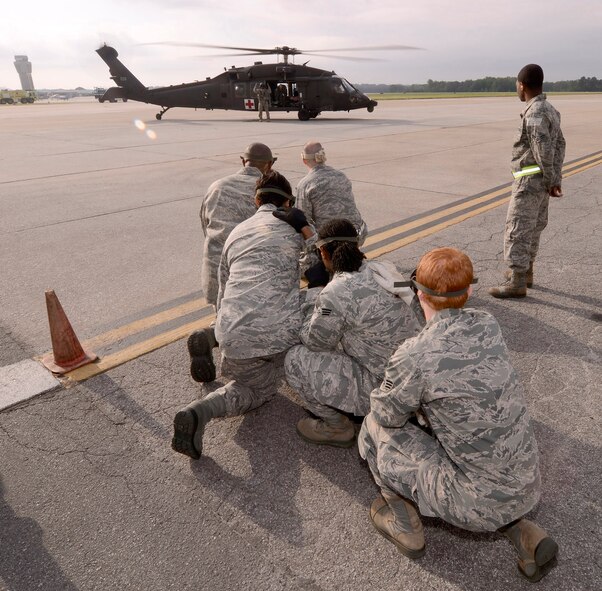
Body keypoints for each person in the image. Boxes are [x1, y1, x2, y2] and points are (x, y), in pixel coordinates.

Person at [359, 247, 557, 582]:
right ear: (468, 292)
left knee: (375, 430)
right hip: (526, 482)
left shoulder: (416, 354)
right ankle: (518, 527)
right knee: (463, 435)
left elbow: (386, 414)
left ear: (418, 293)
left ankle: (406, 528)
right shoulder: (487, 324)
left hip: (472, 500)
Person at [172, 172, 316, 460]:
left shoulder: (237, 233)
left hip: (231, 336)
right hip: (275, 337)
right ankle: (205, 411)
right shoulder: (293, 229)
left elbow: (223, 294)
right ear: (288, 202)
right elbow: (320, 269)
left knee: (249, 375)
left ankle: (202, 401)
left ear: (255, 200)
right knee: (259, 389)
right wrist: (307, 232)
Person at [285, 218, 422, 448]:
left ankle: (337, 428)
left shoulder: (337, 291)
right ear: (357, 247)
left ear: (323, 253)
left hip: (389, 391)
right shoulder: (384, 270)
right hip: (417, 381)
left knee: (295, 360)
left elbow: (315, 341)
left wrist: (314, 299)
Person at [189, 143, 276, 382]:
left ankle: (210, 336)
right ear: (269, 166)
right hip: (247, 275)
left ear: (242, 161)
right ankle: (241, 368)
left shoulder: (216, 186)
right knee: (253, 323)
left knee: (226, 316)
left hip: (215, 271)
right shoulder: (267, 191)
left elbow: (205, 228)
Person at [489, 64, 566, 298]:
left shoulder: (534, 113)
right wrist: (555, 179)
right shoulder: (549, 108)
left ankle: (517, 281)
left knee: (518, 228)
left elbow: (542, 149)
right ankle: (527, 272)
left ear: (522, 86)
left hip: (530, 180)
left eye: (517, 85)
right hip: (542, 181)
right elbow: (560, 144)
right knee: (533, 227)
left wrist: (552, 179)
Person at [296, 141, 367, 242]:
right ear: (323, 157)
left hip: (330, 240)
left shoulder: (306, 184)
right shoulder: (341, 176)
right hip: (356, 235)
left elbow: (302, 218)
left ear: (304, 160)